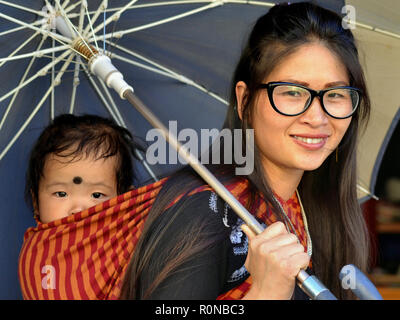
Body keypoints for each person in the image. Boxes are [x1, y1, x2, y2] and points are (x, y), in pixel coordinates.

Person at [120, 2, 371, 300]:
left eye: (336, 94)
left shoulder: (313, 210)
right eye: (292, 92)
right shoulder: (204, 212)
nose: (317, 118)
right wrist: (265, 292)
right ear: (244, 101)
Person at [25, 114, 142, 224]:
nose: (78, 211)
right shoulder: (38, 244)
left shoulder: (127, 241)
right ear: (36, 203)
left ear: (126, 200)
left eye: (97, 195)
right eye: (61, 194)